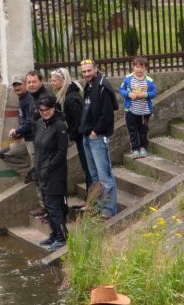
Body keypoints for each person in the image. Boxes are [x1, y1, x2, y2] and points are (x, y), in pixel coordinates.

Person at [77, 58, 119, 219]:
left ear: (96, 69)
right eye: (84, 71)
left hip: (97, 136)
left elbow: (107, 114)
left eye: (89, 70)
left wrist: (95, 131)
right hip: (87, 135)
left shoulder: (103, 86)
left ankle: (108, 209)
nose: (87, 74)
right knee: (94, 176)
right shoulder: (89, 85)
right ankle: (98, 206)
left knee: (104, 176)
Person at [33, 94, 69, 251]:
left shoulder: (60, 126)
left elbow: (62, 152)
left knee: (54, 206)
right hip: (42, 171)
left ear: (54, 108)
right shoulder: (40, 123)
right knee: (48, 206)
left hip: (55, 173)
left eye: (48, 109)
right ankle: (54, 234)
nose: (45, 112)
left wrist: (48, 167)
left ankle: (62, 237)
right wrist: (37, 169)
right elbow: (38, 148)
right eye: (42, 110)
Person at [49, 67, 92, 196]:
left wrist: (71, 134)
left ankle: (92, 198)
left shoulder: (70, 99)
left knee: (88, 167)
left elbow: (79, 121)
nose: (51, 83)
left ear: (63, 81)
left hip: (83, 137)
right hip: (81, 136)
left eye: (54, 81)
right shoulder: (68, 96)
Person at [119, 56, 157, 159]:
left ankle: (143, 147)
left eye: (142, 67)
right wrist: (129, 94)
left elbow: (154, 92)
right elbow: (121, 90)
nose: (139, 69)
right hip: (131, 111)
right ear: (133, 67)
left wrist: (146, 95)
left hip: (144, 112)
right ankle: (135, 149)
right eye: (137, 67)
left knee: (143, 130)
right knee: (133, 131)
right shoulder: (128, 79)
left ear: (146, 68)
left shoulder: (149, 81)